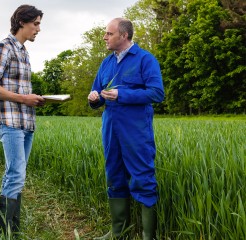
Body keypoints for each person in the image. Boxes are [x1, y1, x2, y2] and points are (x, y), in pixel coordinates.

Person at [87, 18, 164, 240]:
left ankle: (148, 236)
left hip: (136, 130)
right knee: (114, 176)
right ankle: (118, 232)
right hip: (110, 128)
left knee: (142, 178)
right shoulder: (106, 63)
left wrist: (123, 95)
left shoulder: (145, 59)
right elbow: (97, 94)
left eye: (109, 34)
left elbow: (157, 93)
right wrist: (94, 99)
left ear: (124, 35)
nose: (105, 37)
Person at [0, 4, 45, 235]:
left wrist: (35, 99)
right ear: (22, 22)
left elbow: (19, 89)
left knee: (19, 173)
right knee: (15, 173)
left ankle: (11, 228)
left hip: (25, 121)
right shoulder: (3, 48)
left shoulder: (23, 51)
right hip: (7, 120)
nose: (38, 29)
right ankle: (4, 231)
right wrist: (23, 98)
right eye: (35, 24)